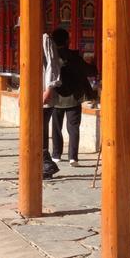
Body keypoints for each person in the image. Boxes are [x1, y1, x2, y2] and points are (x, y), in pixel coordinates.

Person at [49, 27, 96, 167]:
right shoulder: (74, 56)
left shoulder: (51, 56)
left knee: (56, 127)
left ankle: (56, 154)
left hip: (56, 97)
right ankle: (73, 157)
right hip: (74, 97)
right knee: (73, 127)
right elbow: (90, 71)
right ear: (67, 41)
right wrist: (93, 63)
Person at [41, 29, 62, 178]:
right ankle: (43, 165)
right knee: (34, 130)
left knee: (40, 129)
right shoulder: (26, 40)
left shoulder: (45, 39)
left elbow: (52, 63)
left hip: (44, 91)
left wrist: (49, 88)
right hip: (32, 92)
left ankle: (47, 165)